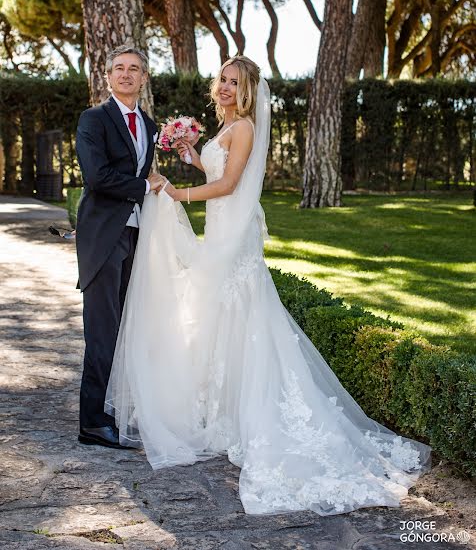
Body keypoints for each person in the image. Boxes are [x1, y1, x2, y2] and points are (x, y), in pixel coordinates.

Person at [105, 56, 431, 515]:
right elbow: (217, 174)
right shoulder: (227, 129)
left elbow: (229, 185)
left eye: (233, 82)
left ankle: (250, 418)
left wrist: (179, 193)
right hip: (222, 231)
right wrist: (192, 156)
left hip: (232, 238)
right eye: (221, 79)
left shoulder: (244, 130)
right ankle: (224, 411)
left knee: (240, 315)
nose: (223, 87)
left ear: (248, 91)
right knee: (222, 318)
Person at [75, 45, 165, 450]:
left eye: (134, 69)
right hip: (104, 238)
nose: (126, 74)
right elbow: (97, 176)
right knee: (101, 330)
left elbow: (142, 172)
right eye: (119, 69)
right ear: (107, 76)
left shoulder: (148, 123)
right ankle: (92, 422)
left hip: (136, 235)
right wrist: (145, 186)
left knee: (127, 328)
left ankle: (113, 409)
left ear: (144, 78)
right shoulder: (93, 119)